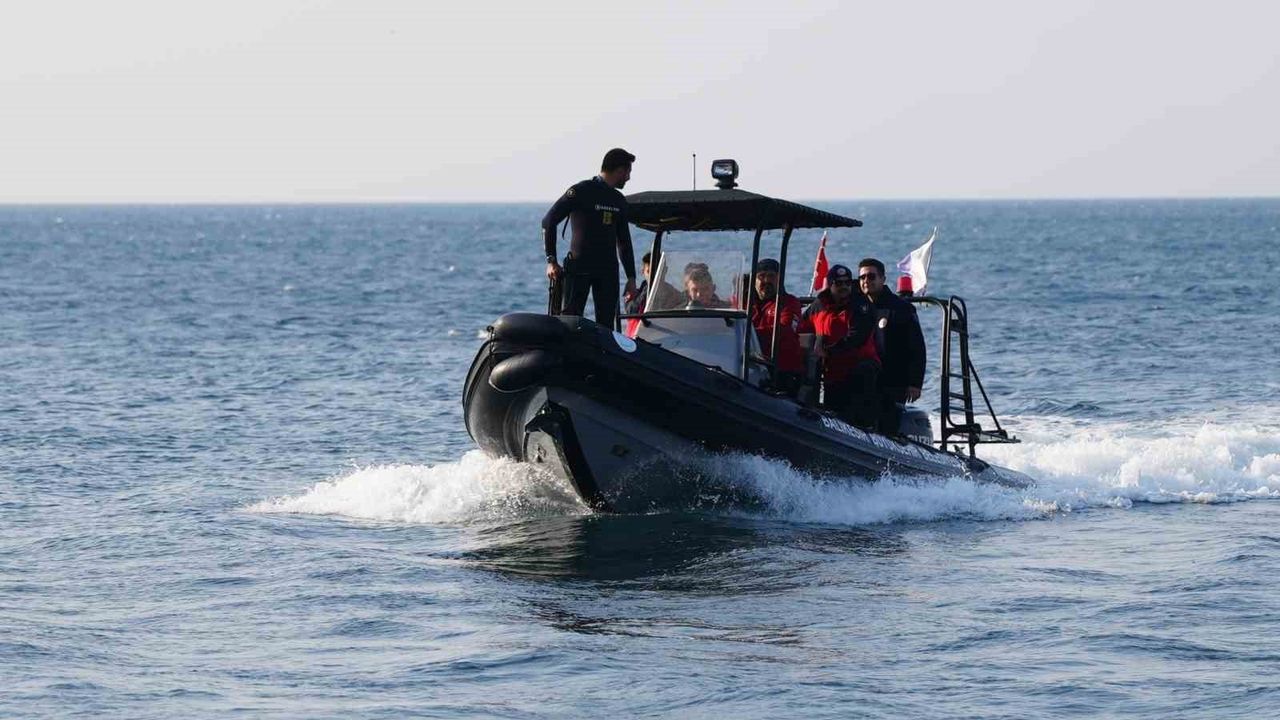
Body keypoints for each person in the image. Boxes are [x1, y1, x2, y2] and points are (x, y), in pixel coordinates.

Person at [542, 148, 638, 328]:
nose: (629, 178)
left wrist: (631, 278)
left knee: (606, 326)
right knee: (570, 322)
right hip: (579, 268)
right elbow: (548, 222)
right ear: (619, 171)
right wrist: (551, 261)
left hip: (607, 271)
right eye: (628, 172)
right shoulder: (581, 191)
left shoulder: (618, 200)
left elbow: (624, 242)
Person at [857, 257, 926, 434]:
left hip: (893, 380)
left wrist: (915, 383)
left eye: (871, 277)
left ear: (883, 279)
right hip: (864, 378)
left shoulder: (901, 308)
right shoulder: (856, 307)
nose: (866, 281)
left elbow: (917, 347)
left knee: (888, 425)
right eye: (862, 278)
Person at [811, 264, 881, 428]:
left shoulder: (861, 305)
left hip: (858, 366)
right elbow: (802, 327)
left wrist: (828, 351)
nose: (843, 287)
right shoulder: (819, 305)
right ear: (830, 284)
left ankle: (866, 426)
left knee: (863, 373)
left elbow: (856, 337)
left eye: (847, 283)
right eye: (838, 283)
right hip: (832, 371)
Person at [748, 258, 804, 394]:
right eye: (761, 276)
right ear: (753, 280)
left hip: (782, 371)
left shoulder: (790, 303)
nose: (766, 281)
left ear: (780, 279)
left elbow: (784, 330)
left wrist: (748, 334)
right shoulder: (747, 305)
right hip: (750, 366)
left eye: (771, 276)